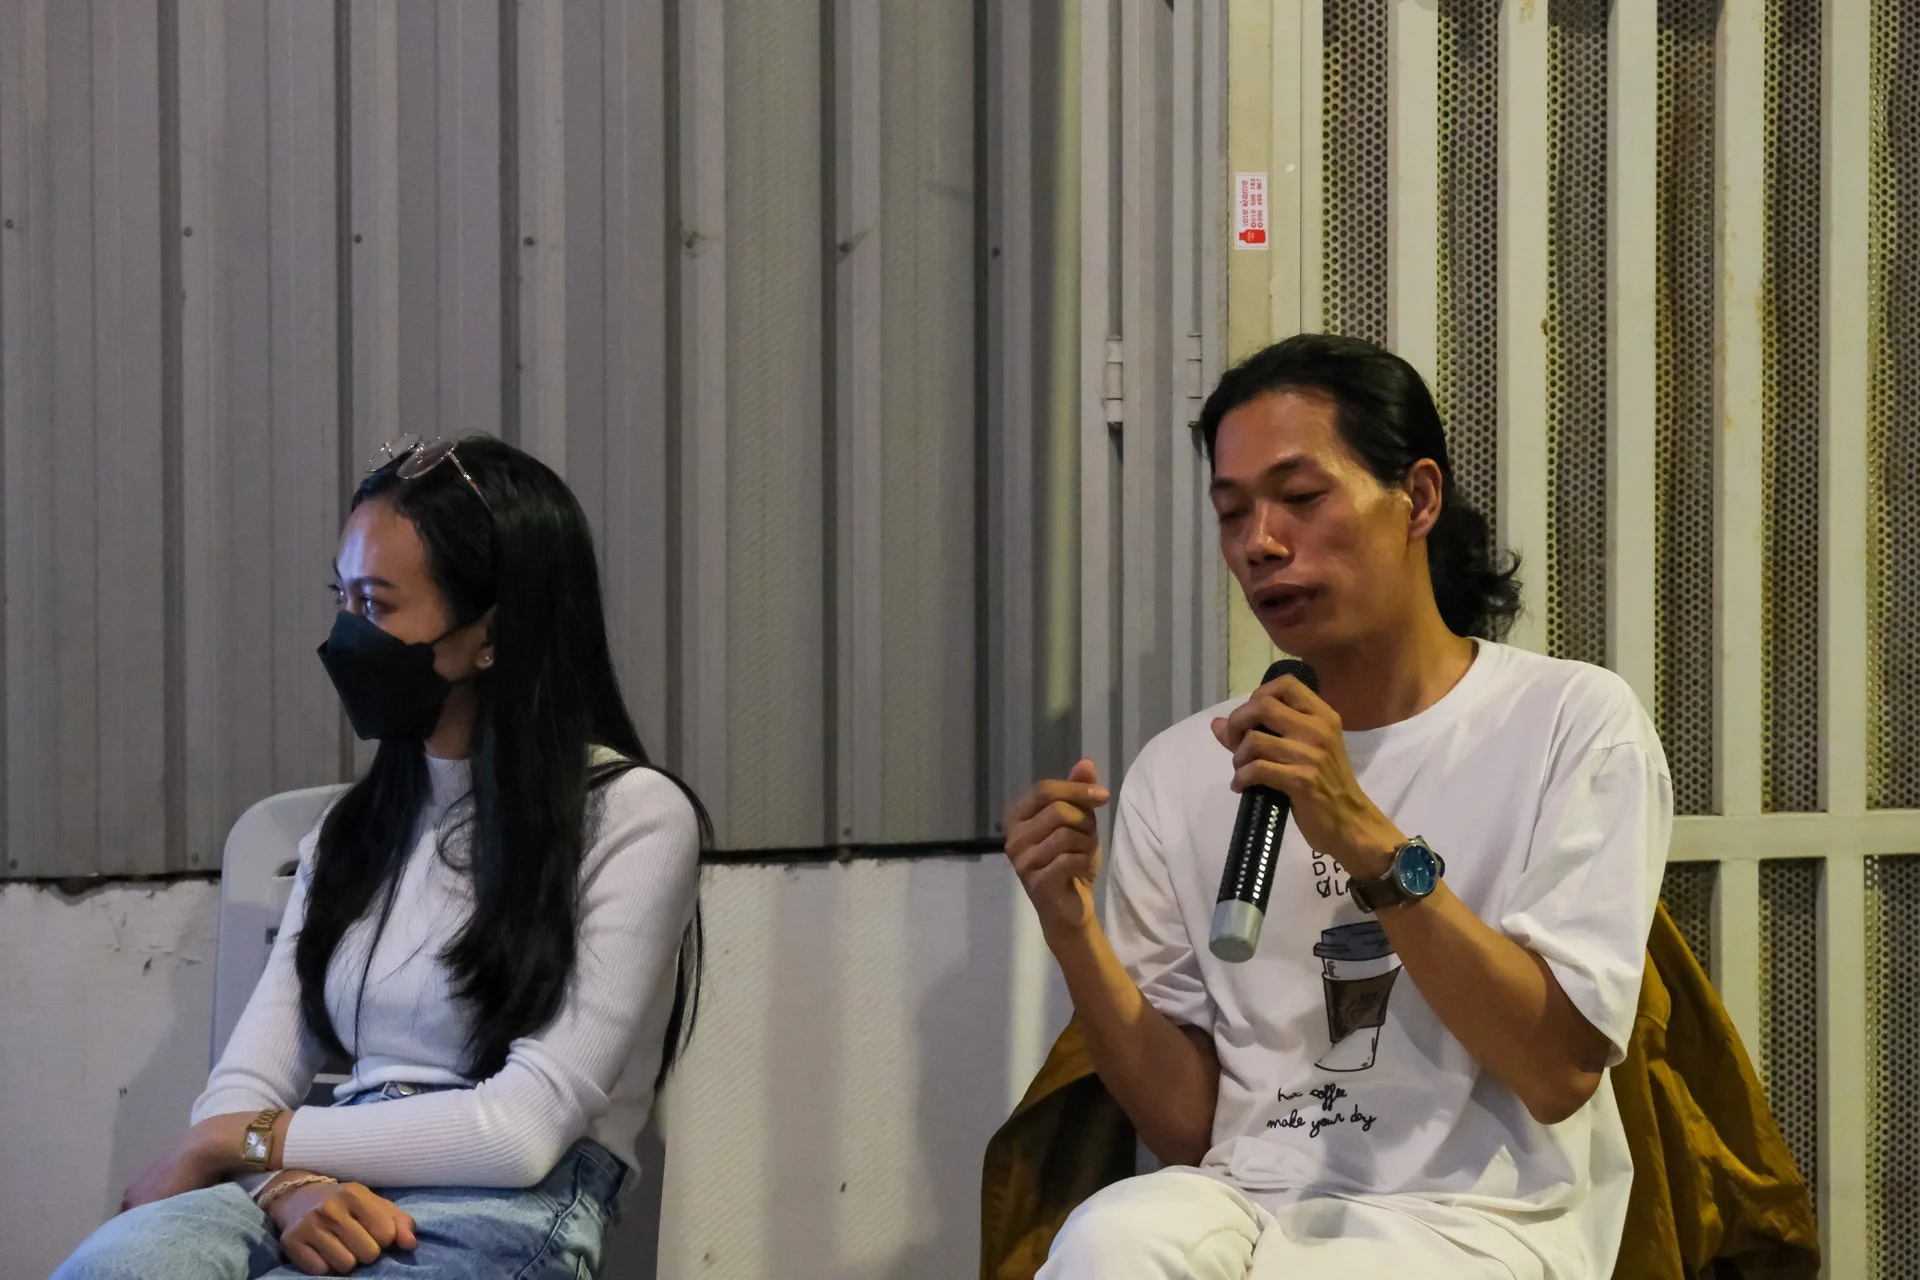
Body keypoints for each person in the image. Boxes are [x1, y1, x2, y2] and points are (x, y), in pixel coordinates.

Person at [1002, 334, 1672, 1278]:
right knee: (1109, 1241)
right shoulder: (1179, 772)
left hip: (1478, 1220)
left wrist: (1360, 831)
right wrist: (1072, 929)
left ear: (1419, 499)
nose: (1260, 543)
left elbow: (1559, 1071)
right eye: (1232, 513)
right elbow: (1188, 1129)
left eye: (1302, 498)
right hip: (1248, 1198)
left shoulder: (1571, 721)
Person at [55, 436, 707, 1279]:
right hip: (317, 1180)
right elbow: (246, 1084)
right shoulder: (349, 832)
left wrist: (236, 1142)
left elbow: (521, 1131)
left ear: (493, 632)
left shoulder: (633, 817)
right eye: (344, 598)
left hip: (506, 1201)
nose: (347, 636)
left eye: (376, 604)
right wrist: (286, 1184)